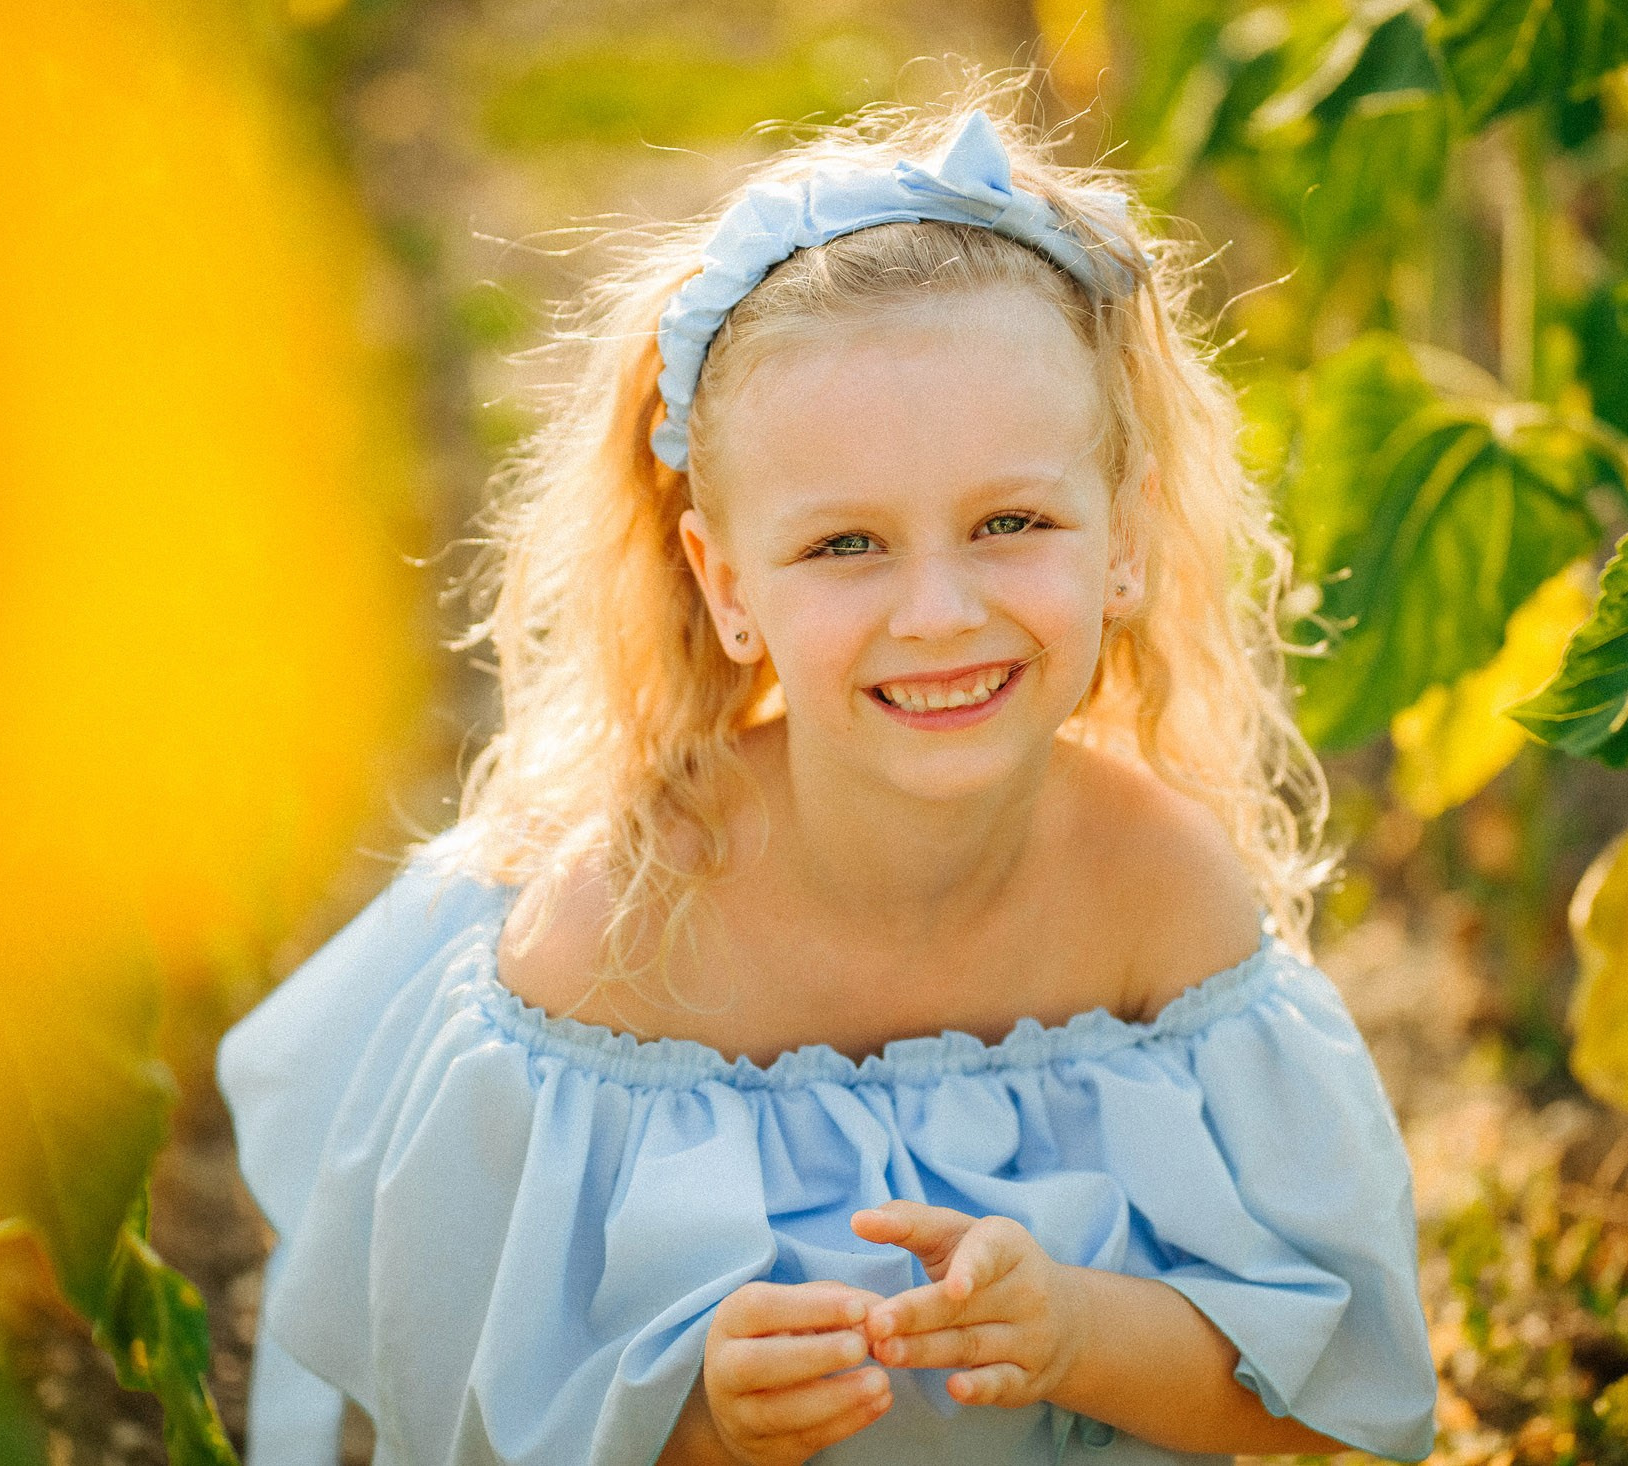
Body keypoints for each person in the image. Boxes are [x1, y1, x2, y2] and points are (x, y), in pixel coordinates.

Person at [218, 82, 1439, 1466]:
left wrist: (1078, 1333)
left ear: (1127, 537)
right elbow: (466, 1409)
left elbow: (1333, 1402)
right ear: (727, 586)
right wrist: (698, 1420)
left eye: (1011, 520)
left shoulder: (1161, 898)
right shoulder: (615, 937)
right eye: (846, 545)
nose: (937, 610)